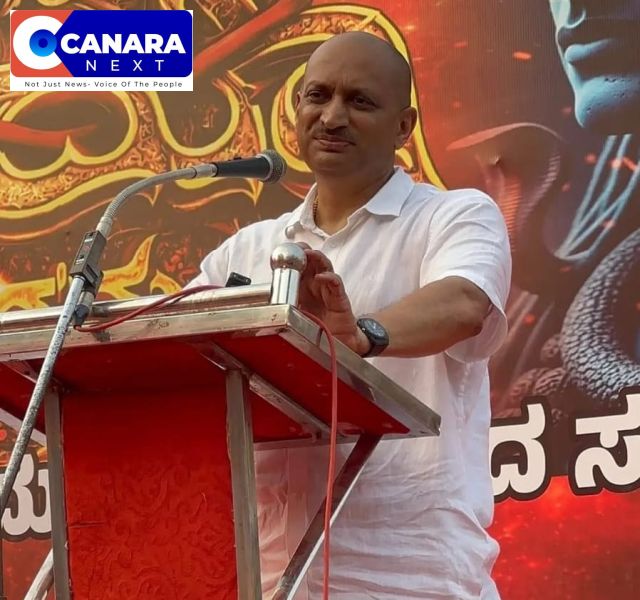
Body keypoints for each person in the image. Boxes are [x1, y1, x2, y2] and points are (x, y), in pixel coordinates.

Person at [188, 31, 511, 599]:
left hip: (408, 576)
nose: (332, 117)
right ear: (297, 109)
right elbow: (178, 353)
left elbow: (465, 303)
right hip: (268, 576)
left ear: (404, 127)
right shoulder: (245, 251)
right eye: (318, 96)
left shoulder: (454, 216)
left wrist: (364, 335)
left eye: (360, 101)